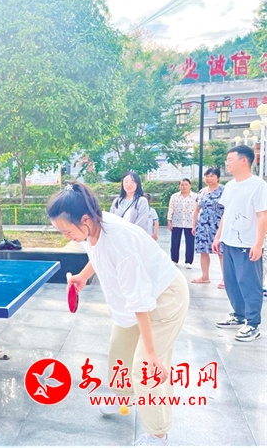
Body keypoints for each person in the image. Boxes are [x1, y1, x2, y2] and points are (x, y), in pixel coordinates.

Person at [47, 182, 188, 446]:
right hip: (136, 299)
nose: (66, 236)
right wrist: (82, 276)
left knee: (146, 369)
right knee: (119, 351)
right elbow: (97, 253)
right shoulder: (91, 229)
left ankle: (158, 434)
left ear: (85, 219)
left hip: (164, 297)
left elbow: (140, 300)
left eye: (67, 231)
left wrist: (151, 351)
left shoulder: (119, 240)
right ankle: (124, 397)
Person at [212, 145, 267, 342]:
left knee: (249, 283)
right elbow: (226, 213)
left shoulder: (258, 185)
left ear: (244, 161)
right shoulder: (230, 186)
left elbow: (262, 215)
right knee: (232, 282)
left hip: (247, 244)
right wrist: (218, 236)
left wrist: (258, 244)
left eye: (230, 160)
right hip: (229, 241)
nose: (227, 163)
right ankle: (239, 314)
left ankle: (253, 324)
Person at [191, 168, 225, 287]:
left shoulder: (223, 190)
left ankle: (225, 279)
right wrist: (194, 225)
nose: (208, 178)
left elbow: (228, 209)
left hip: (218, 225)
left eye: (212, 176)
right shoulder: (202, 192)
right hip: (203, 225)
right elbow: (196, 209)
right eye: (207, 176)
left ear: (218, 177)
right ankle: (205, 276)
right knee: (203, 251)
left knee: (221, 252)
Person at [167, 178, 197, 268]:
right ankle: (174, 260)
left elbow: (198, 210)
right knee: (175, 242)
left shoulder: (195, 196)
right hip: (177, 221)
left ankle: (189, 262)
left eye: (186, 184)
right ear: (179, 186)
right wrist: (169, 220)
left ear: (190, 185)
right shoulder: (174, 196)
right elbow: (171, 208)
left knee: (190, 243)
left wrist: (196, 223)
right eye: (182, 185)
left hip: (190, 222)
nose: (184, 186)